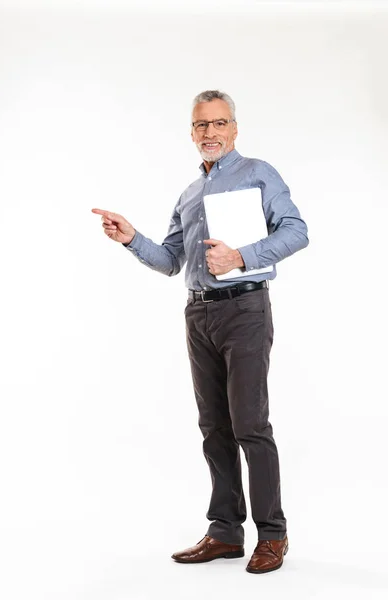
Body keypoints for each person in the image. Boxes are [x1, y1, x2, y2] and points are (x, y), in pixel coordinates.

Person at [92, 90, 309, 575]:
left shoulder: (259, 174)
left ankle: (273, 535)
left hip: (245, 309)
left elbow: (296, 231)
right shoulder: (188, 195)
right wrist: (131, 238)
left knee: (251, 425)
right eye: (201, 125)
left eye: (219, 123)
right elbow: (171, 261)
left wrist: (242, 256)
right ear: (192, 133)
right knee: (214, 429)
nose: (210, 133)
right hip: (198, 315)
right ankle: (226, 533)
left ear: (234, 129)